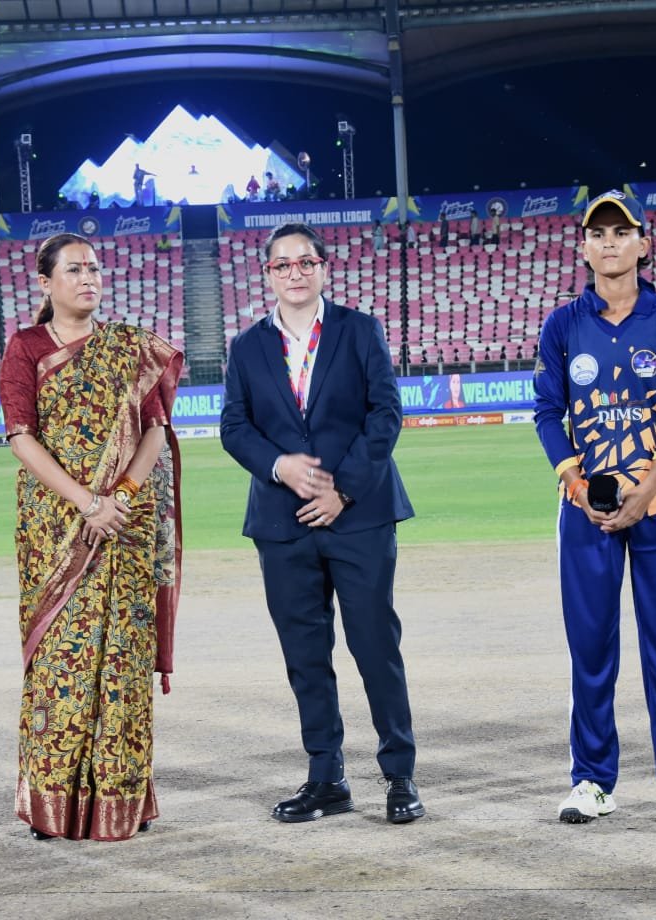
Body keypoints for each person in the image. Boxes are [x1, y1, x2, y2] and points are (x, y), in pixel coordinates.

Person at [219, 222, 424, 826]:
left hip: (359, 517)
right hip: (282, 524)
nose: (295, 273)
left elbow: (385, 414)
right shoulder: (246, 346)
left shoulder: (360, 330)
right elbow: (234, 427)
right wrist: (279, 466)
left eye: (305, 262)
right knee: (305, 656)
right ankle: (326, 777)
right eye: (282, 265)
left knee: (375, 646)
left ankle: (400, 775)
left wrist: (343, 489)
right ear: (267, 275)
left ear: (323, 268)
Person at [0, 232, 184, 842]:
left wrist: (120, 496)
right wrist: (86, 502)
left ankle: (123, 801)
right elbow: (21, 436)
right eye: (74, 270)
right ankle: (51, 806)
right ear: (45, 282)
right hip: (56, 527)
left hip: (125, 525)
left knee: (123, 661)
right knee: (62, 662)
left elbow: (154, 429)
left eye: (95, 269)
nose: (89, 279)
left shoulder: (130, 347)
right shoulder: (26, 347)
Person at [533, 188, 656, 824]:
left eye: (621, 232)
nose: (609, 243)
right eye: (597, 234)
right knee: (591, 648)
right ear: (583, 248)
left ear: (644, 244)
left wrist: (653, 483)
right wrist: (577, 486)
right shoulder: (562, 324)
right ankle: (591, 781)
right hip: (586, 509)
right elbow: (547, 413)